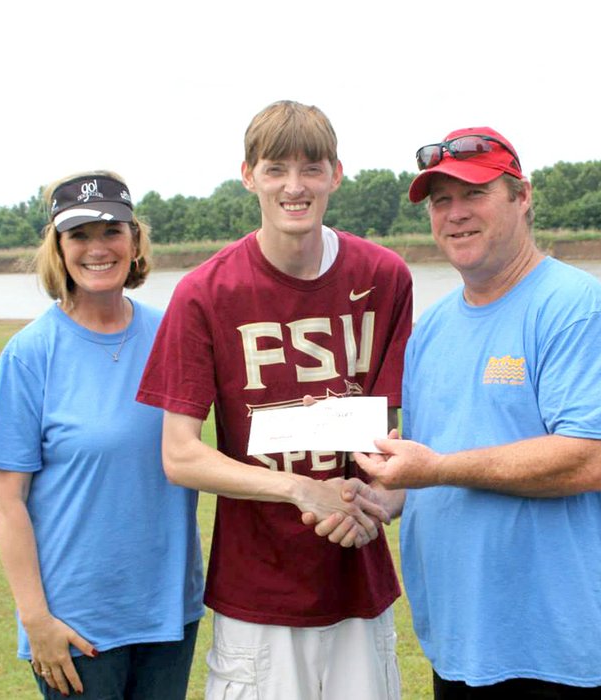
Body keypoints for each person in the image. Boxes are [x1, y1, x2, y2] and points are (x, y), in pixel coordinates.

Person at [351, 127, 601, 699]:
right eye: (441, 201)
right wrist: (387, 495)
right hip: (463, 646)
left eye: (475, 194)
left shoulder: (575, 309)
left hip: (562, 655)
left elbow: (587, 461)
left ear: (523, 197)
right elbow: (437, 459)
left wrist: (434, 470)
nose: (455, 214)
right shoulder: (430, 331)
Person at [136, 100, 412, 700]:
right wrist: (297, 488)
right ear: (248, 175)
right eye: (276, 169)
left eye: (311, 169)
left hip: (357, 579)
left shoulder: (386, 275)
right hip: (256, 589)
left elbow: (393, 435)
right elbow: (180, 456)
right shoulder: (205, 292)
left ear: (336, 175)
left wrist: (381, 501)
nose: (295, 186)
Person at [0, 171, 204, 699]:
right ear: (58, 249)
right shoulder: (29, 353)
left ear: (135, 241)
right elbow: (5, 499)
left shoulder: (173, 331)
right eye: (79, 235)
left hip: (169, 609)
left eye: (112, 231)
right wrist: (36, 620)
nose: (97, 248)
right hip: (75, 624)